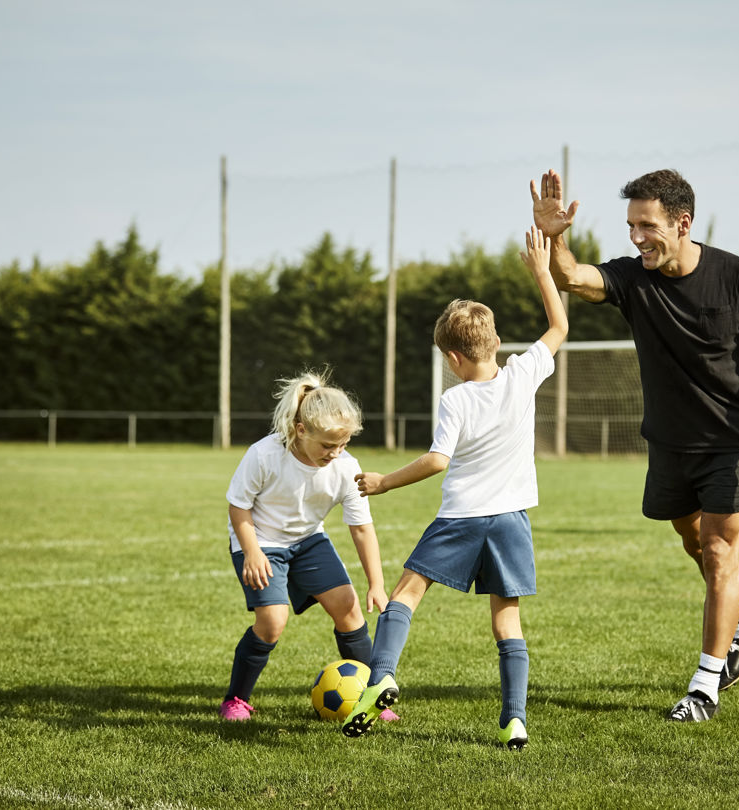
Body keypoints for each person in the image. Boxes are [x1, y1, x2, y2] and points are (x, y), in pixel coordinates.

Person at [530, 169, 739, 722]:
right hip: (670, 442)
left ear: (682, 222)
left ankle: (705, 687)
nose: (636, 238)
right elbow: (573, 278)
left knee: (720, 551)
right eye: (631, 226)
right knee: (692, 538)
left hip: (731, 439)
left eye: (647, 226)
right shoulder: (634, 278)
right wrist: (555, 238)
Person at [342, 226, 568, 750]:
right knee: (507, 621)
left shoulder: (455, 399)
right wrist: (541, 270)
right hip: (511, 520)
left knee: (405, 593)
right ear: (495, 343)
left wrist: (384, 482)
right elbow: (558, 324)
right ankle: (515, 720)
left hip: (462, 517)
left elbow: (438, 460)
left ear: (452, 358)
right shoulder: (522, 374)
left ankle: (382, 676)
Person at [220, 370, 394, 723]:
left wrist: (376, 583)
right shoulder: (265, 454)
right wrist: (252, 552)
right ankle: (235, 700)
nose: (336, 453)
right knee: (272, 621)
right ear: (301, 430)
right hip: (260, 540)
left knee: (349, 609)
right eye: (328, 445)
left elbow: (362, 529)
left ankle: (371, 698)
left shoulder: (346, 467)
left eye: (343, 444)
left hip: (308, 541)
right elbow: (238, 506)